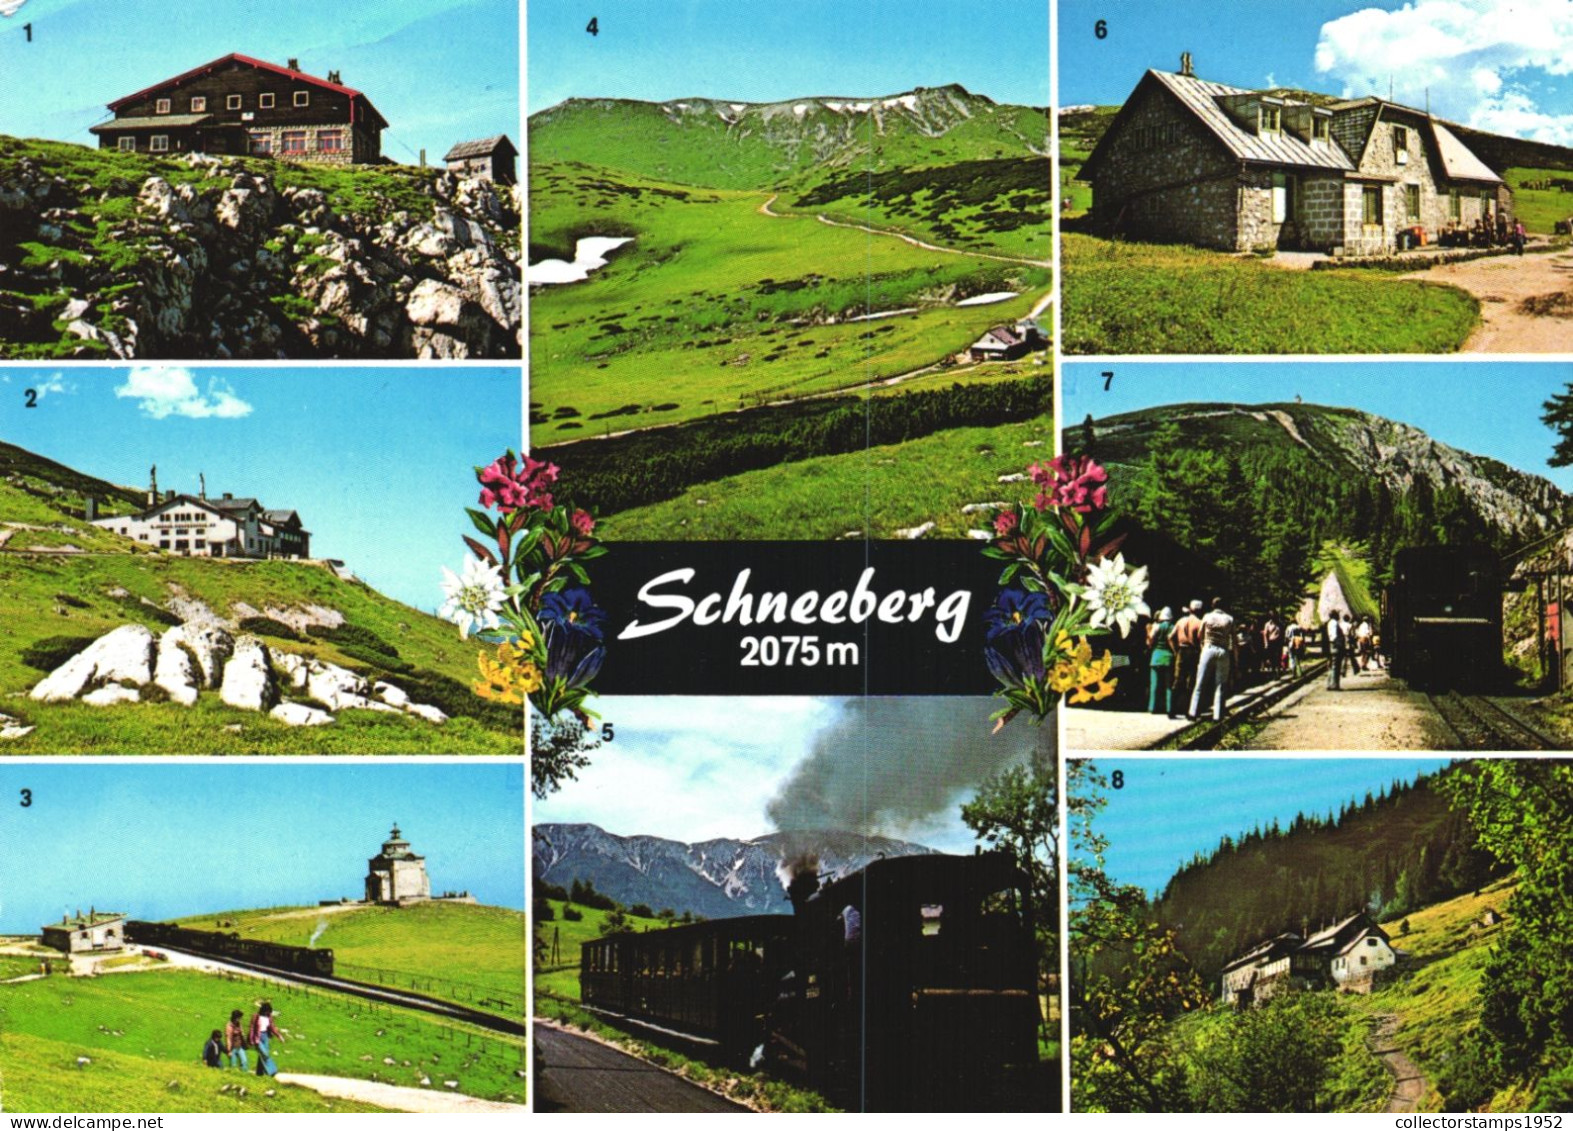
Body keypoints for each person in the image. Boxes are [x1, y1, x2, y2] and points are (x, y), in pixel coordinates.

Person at [1190, 597, 1237, 721]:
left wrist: (1202, 645)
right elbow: (1234, 641)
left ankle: (1193, 712)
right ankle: (1218, 715)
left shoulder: (1207, 617)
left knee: (1200, 682)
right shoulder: (1229, 619)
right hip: (1223, 650)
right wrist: (1236, 659)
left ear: (1212, 605)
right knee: (1220, 685)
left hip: (1208, 648)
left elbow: (1200, 634)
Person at [1171, 600, 1206, 718]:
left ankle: (1172, 710)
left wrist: (1175, 650)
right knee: (1190, 682)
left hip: (1181, 650)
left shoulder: (1180, 621)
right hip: (1193, 651)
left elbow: (1170, 636)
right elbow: (1201, 640)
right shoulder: (1199, 622)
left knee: (1177, 680)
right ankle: (1188, 711)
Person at [1147, 607, 1178, 716]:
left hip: (1156, 657)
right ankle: (1169, 708)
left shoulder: (1157, 627)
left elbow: (1150, 640)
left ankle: (1152, 708)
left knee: (1154, 684)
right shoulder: (1173, 627)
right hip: (1168, 658)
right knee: (1168, 685)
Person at [249, 1002, 284, 1076]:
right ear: (264, 1010)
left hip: (265, 1037)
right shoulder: (256, 1016)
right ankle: (272, 1071)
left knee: (262, 1055)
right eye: (267, 1011)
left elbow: (272, 1027)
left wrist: (279, 1036)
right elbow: (252, 1028)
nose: (268, 1013)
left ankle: (259, 1073)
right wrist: (251, 1040)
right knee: (265, 1054)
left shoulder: (269, 1017)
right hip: (257, 1038)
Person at [1326, 613, 1347, 690]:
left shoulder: (1329, 623)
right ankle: (1334, 685)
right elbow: (1334, 636)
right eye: (1338, 615)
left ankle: (1330, 684)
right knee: (1336, 666)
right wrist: (1339, 645)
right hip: (1336, 646)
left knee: (1332, 665)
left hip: (1332, 645)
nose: (1339, 617)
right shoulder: (1334, 623)